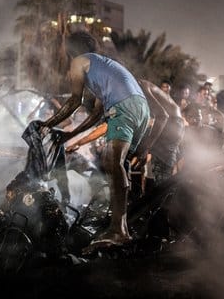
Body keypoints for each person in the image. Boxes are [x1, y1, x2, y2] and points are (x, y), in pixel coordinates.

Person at [38, 31, 150, 249]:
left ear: (71, 49)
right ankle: (123, 226)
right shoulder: (102, 67)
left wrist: (47, 124)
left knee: (112, 163)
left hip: (124, 108)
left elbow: (74, 102)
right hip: (140, 110)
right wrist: (70, 136)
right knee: (119, 165)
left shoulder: (79, 61)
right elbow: (97, 114)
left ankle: (118, 230)